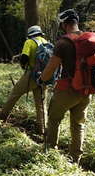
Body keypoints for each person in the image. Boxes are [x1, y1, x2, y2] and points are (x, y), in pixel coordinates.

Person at [38, 9, 91, 164]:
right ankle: (76, 158)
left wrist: (42, 79)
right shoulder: (88, 39)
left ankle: (50, 151)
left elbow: (51, 67)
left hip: (67, 89)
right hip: (86, 90)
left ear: (65, 24)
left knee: (54, 119)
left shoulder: (63, 42)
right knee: (78, 124)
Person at [0, 25, 48, 133]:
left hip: (32, 75)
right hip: (44, 76)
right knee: (41, 104)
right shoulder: (45, 42)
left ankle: (2, 116)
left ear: (30, 34)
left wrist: (23, 65)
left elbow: (24, 57)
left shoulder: (29, 42)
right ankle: (42, 129)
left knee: (15, 93)